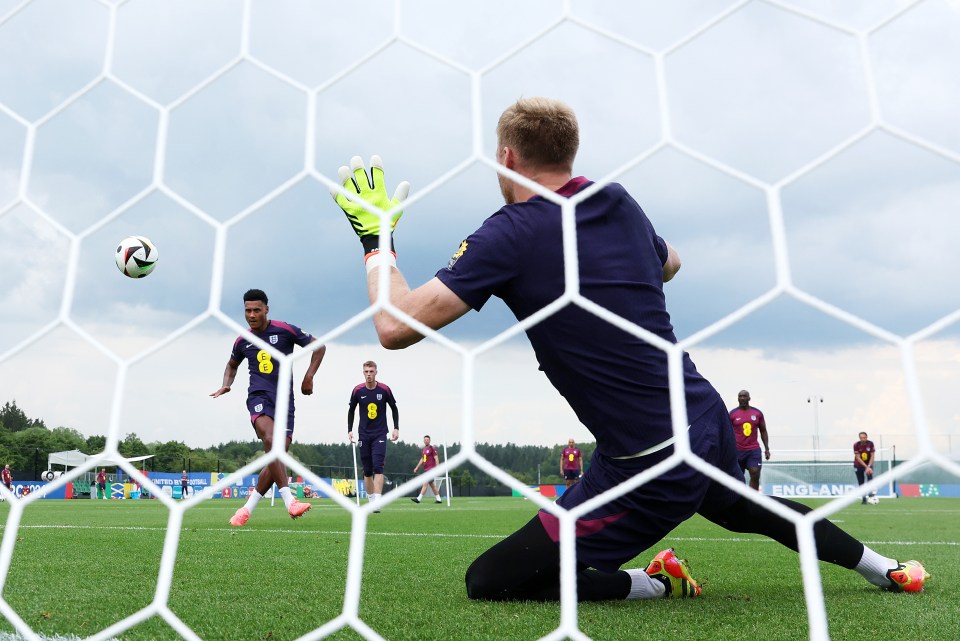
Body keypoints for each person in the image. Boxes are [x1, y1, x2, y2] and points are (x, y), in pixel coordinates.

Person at [331, 97, 929, 600]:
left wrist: (375, 238)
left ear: (506, 157)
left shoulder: (509, 233)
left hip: (649, 458)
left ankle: (655, 583)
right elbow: (670, 263)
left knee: (491, 580)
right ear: (571, 156)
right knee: (751, 509)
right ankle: (886, 570)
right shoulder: (617, 201)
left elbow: (396, 327)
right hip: (702, 414)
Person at [211, 288, 326, 526]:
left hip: (286, 402)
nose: (251, 315)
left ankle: (245, 510)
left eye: (256, 310)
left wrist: (309, 377)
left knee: (277, 456)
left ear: (266, 309)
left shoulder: (284, 330)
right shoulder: (243, 339)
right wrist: (226, 384)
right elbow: (231, 365)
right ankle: (290, 502)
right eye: (247, 311)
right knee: (272, 442)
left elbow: (319, 346)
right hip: (259, 397)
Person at [347, 360, 399, 512]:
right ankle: (371, 501)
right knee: (367, 470)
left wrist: (396, 428)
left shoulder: (384, 389)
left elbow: (394, 408)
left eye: (371, 371)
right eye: (366, 371)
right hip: (364, 434)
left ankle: (376, 501)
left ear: (376, 372)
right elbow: (351, 410)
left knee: (378, 467)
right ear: (363, 373)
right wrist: (349, 430)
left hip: (380, 433)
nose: (369, 374)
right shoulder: (357, 390)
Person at [728, 390, 770, 491]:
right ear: (738, 398)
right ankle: (739, 499)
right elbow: (727, 432)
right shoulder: (732, 414)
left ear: (749, 398)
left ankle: (753, 499)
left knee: (755, 473)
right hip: (737, 450)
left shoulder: (757, 413)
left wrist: (767, 449)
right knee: (738, 477)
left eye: (744, 396)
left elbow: (763, 431)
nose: (742, 398)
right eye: (740, 396)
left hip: (753, 450)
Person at [411, 434, 443, 504]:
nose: (426, 441)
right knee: (432, 485)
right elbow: (423, 459)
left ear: (430, 440)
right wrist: (417, 467)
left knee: (425, 483)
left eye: (427, 440)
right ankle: (439, 499)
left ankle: (418, 499)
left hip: (431, 469)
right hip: (426, 469)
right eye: (425, 440)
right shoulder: (424, 450)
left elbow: (436, 458)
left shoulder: (432, 448)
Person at [853, 432, 875, 504]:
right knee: (861, 482)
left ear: (867, 437)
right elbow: (858, 458)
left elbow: (872, 456)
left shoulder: (870, 444)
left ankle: (871, 494)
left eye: (864, 437)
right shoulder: (856, 445)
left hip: (868, 464)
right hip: (858, 465)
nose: (863, 439)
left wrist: (869, 466)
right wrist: (866, 467)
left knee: (870, 478)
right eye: (861, 438)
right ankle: (864, 498)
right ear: (859, 438)